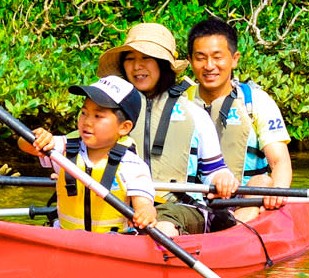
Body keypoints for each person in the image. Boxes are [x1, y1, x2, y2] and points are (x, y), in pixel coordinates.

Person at [30, 75, 199, 235]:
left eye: (98, 116)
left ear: (124, 127)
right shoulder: (64, 147)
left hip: (114, 243)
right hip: (65, 238)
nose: (87, 121)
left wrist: (145, 213)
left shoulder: (132, 165)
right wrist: (38, 137)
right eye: (84, 113)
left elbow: (144, 205)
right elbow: (27, 144)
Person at [94, 22, 237, 205]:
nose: (137, 66)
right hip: (120, 206)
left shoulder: (195, 114)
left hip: (177, 207)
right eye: (130, 58)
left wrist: (223, 179)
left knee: (163, 227)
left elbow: (214, 171)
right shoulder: (106, 111)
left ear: (163, 64)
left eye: (146, 58)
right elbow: (79, 151)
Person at [184, 17, 290, 226]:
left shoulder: (256, 101)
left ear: (234, 59)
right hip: (196, 198)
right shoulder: (179, 102)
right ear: (190, 60)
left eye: (217, 57)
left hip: (246, 196)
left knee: (264, 181)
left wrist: (277, 192)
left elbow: (279, 161)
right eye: (201, 58)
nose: (209, 66)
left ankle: (232, 228)